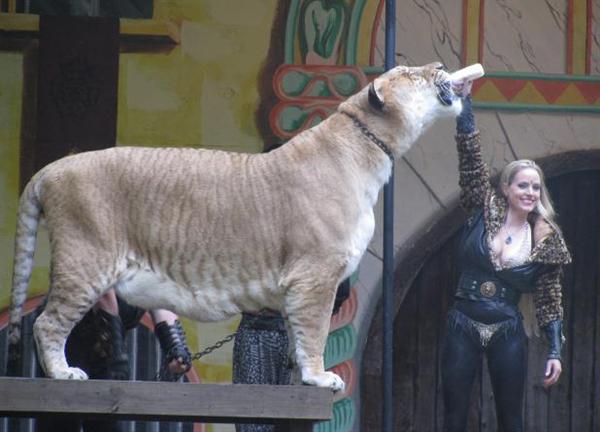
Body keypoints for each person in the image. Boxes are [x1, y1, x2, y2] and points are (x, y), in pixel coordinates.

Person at [441, 82, 571, 432]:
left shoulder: (546, 241)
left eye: (535, 187)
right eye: (523, 185)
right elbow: (470, 158)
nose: (530, 192)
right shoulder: (483, 208)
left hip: (507, 326)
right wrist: (464, 103)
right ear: (506, 189)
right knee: (453, 415)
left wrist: (555, 350)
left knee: (511, 418)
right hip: (463, 321)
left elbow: (549, 300)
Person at [34, 289, 192, 432]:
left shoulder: (147, 267)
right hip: (67, 338)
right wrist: (116, 354)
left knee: (108, 417)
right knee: (60, 418)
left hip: (102, 344)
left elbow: (160, 300)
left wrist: (175, 349)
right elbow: (103, 294)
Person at [232, 279, 351, 432]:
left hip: (288, 328)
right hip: (281, 327)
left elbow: (340, 288)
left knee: (265, 417)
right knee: (265, 416)